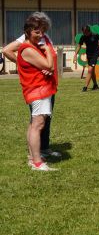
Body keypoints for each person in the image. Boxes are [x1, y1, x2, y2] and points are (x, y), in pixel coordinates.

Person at [3, 12, 61, 160]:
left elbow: (47, 61)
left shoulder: (44, 37)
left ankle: (43, 148)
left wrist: (46, 68)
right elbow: (6, 50)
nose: (42, 32)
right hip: (38, 86)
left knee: (45, 118)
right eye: (39, 28)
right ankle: (37, 155)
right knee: (38, 120)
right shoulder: (27, 39)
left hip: (48, 82)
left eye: (44, 28)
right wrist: (25, 64)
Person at [17, 14, 59, 171]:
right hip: (38, 90)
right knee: (38, 124)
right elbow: (49, 66)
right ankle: (37, 162)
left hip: (38, 89)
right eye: (37, 32)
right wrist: (47, 49)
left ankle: (33, 158)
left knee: (34, 124)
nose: (41, 35)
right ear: (27, 31)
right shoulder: (28, 48)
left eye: (42, 31)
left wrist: (45, 68)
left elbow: (44, 67)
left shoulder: (31, 47)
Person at [73, 25, 99, 91]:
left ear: (89, 31)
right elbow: (79, 46)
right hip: (89, 54)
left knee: (90, 70)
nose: (84, 34)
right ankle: (95, 85)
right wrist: (75, 55)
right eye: (83, 32)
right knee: (92, 71)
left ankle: (85, 87)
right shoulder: (83, 37)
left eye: (85, 32)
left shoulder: (95, 35)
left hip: (95, 54)